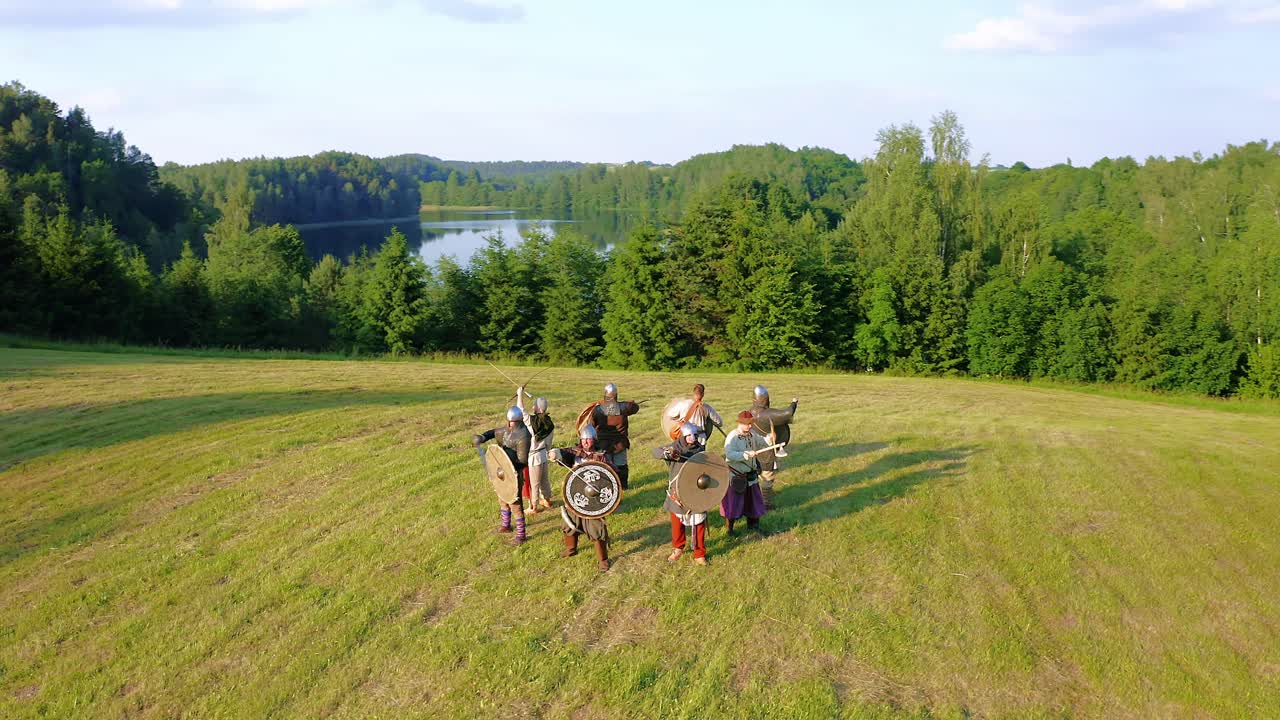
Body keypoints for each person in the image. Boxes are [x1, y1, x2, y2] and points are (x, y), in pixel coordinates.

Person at [550, 424, 615, 571]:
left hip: (594, 498)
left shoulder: (601, 456)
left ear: (594, 439)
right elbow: (564, 453)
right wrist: (555, 453)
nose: (585, 442)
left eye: (589, 439)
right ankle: (571, 548)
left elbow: (610, 475)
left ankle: (603, 560)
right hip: (577, 495)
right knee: (569, 522)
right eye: (583, 439)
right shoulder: (576, 452)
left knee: (596, 529)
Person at [473, 406, 532, 545]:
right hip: (501, 471)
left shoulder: (524, 435)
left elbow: (522, 461)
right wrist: (483, 437)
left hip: (514, 473)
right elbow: (494, 432)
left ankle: (521, 534)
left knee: (515, 503)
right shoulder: (506, 430)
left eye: (512, 422)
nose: (510, 424)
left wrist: (508, 466)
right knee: (502, 498)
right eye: (509, 422)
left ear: (517, 422)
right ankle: (506, 525)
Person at [660, 422, 710, 565]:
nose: (692, 438)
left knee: (699, 521)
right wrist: (668, 453)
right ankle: (678, 548)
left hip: (696, 490)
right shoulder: (675, 447)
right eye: (688, 435)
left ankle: (699, 553)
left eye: (694, 435)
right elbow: (656, 452)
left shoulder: (700, 449)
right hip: (678, 492)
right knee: (677, 522)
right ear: (682, 436)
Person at [750, 385, 799, 508]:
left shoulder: (752, 411)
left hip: (754, 447)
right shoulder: (766, 414)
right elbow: (788, 413)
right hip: (766, 450)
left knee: (757, 475)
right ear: (766, 399)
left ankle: (758, 498)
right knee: (767, 477)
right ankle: (766, 504)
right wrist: (794, 402)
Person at [722, 410, 769, 535]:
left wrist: (770, 439)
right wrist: (745, 455)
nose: (749, 426)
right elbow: (730, 455)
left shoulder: (752, 434)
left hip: (751, 476)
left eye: (750, 424)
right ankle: (730, 530)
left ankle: (753, 526)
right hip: (737, 476)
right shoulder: (732, 437)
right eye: (747, 424)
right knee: (733, 505)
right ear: (740, 423)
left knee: (754, 502)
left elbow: (762, 442)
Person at [586, 382, 641, 490]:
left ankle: (608, 487)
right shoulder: (625, 407)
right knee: (621, 466)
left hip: (604, 443)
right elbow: (635, 408)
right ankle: (622, 487)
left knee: (605, 467)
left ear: (605, 394)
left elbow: (591, 426)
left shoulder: (597, 410)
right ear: (616, 395)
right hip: (619, 443)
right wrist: (630, 404)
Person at [517, 388, 555, 512]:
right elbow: (549, 443)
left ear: (538, 408)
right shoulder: (549, 422)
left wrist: (519, 394)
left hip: (534, 457)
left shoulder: (533, 421)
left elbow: (520, 411)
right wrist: (547, 451)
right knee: (544, 481)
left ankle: (533, 507)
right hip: (543, 454)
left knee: (535, 484)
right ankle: (547, 501)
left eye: (534, 405)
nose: (532, 406)